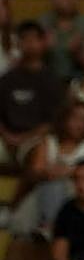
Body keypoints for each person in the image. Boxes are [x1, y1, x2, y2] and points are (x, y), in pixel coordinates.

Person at [12, 100, 84, 236]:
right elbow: (37, 171)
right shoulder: (48, 143)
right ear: (64, 119)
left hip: (75, 195)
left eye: (83, 120)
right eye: (75, 118)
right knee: (48, 188)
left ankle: (51, 226)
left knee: (56, 185)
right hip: (43, 190)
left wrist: (63, 172)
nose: (78, 124)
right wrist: (53, 173)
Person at [0, 19, 64, 165]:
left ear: (43, 43)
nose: (29, 44)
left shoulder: (52, 81)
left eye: (34, 39)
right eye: (24, 39)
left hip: (37, 138)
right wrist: (7, 136)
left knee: (39, 152)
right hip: (6, 138)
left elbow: (52, 121)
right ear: (17, 43)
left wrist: (23, 138)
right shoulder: (7, 79)